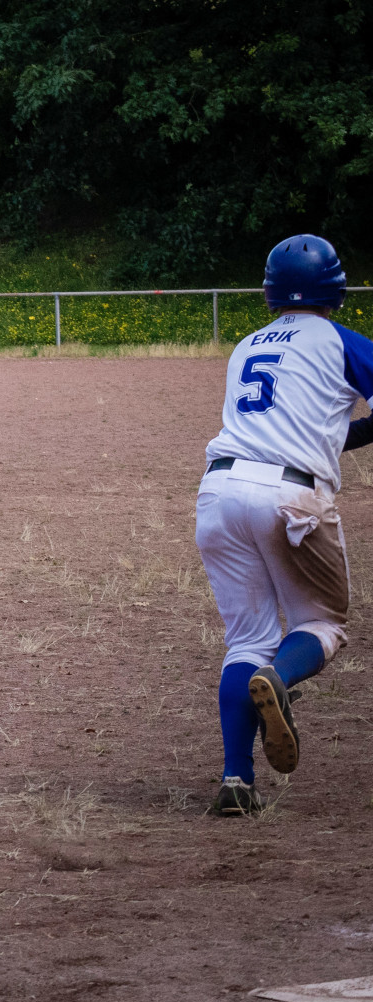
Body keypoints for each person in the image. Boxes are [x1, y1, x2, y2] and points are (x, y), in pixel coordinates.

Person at [196, 234, 371, 816]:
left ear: (270, 290)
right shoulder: (341, 341)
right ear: (337, 289)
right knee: (322, 623)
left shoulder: (244, 345)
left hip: (219, 488)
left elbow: (294, 420)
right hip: (289, 494)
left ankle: (236, 781)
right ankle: (281, 675)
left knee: (245, 638)